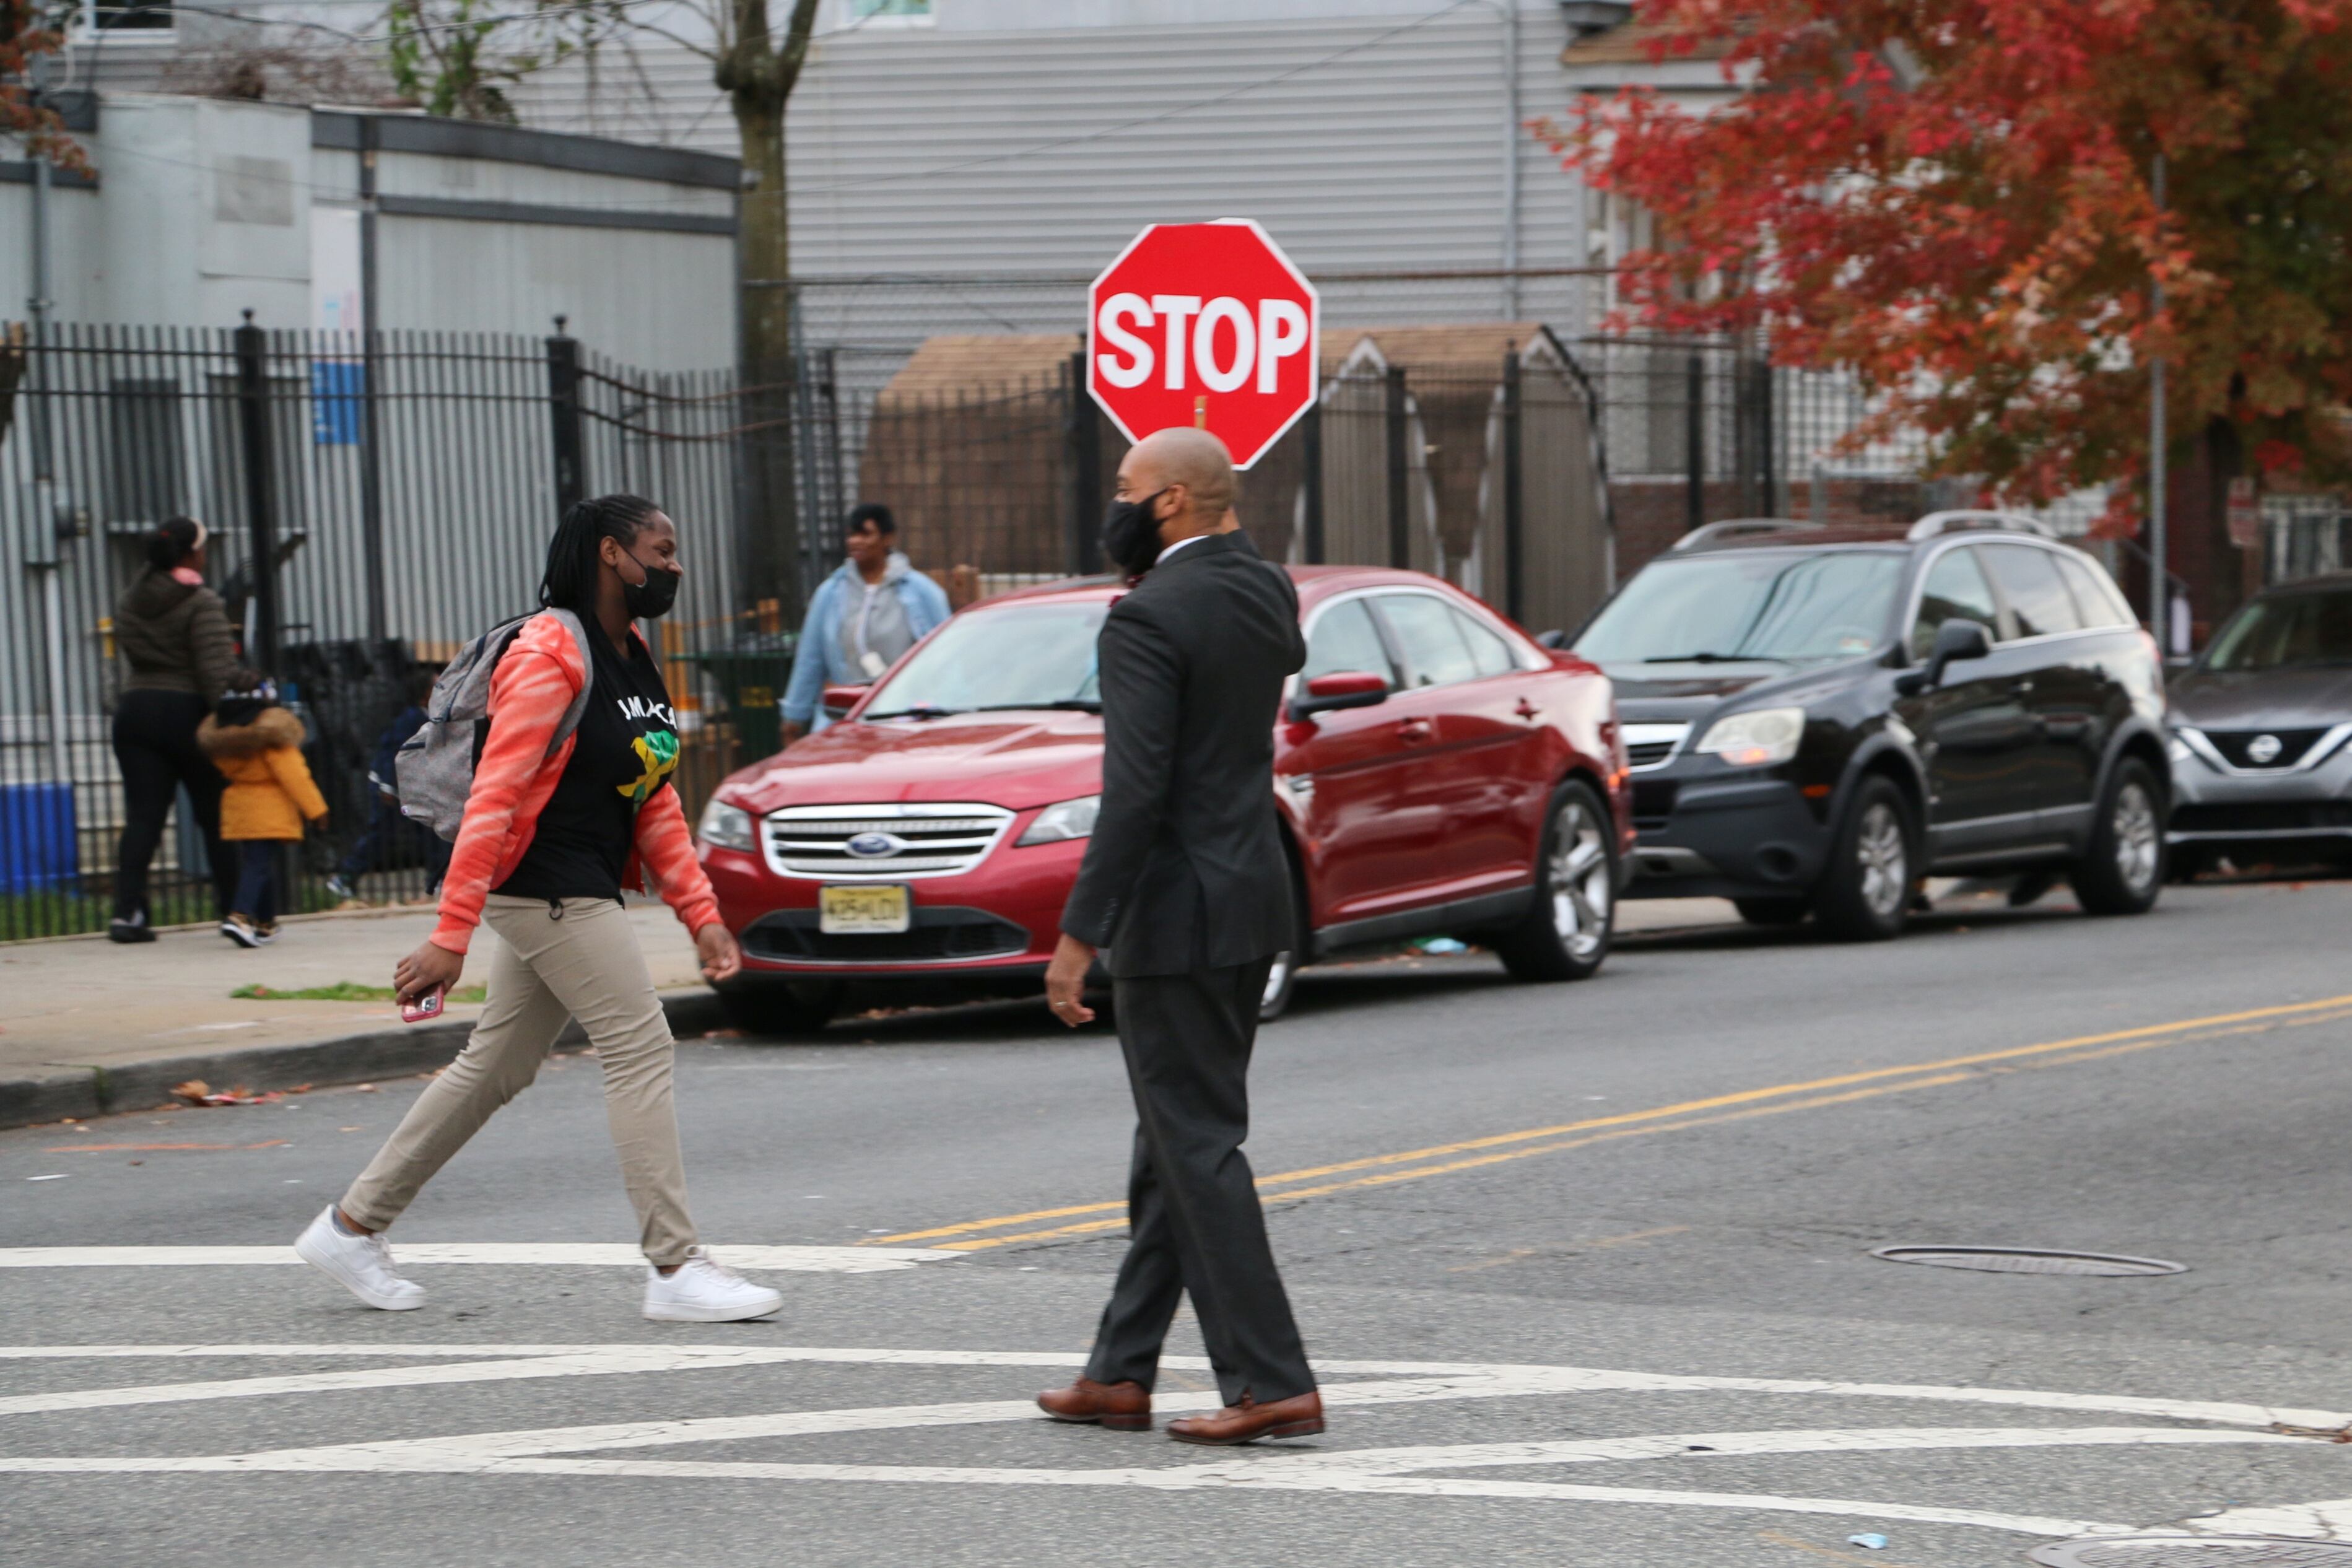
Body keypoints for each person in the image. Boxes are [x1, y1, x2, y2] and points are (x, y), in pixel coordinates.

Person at [294, 493, 782, 1325]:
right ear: (608, 554)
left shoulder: (628, 654)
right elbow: (494, 796)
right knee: (639, 1043)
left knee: (498, 1065)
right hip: (547, 886)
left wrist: (698, 914)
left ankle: (351, 1226)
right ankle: (674, 1266)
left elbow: (651, 797)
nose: (674, 566)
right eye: (660, 550)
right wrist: (451, 933)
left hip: (575, 881)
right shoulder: (549, 650)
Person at [1036, 428, 1321, 1446]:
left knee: (1193, 1145)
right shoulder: (1264, 590)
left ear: (1168, 504)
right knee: (1174, 1142)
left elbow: (1135, 797)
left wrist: (1079, 934)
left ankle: (1271, 1380)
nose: (1112, 503)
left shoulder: (1148, 615)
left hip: (1174, 918)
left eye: (1124, 489)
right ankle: (1119, 1372)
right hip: (1251, 905)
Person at [107, 515, 238, 942]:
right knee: (216, 817)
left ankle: (128, 913)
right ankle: (234, 909)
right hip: (188, 714)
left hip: (135, 710)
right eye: (203, 547)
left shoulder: (130, 601)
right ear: (191, 554)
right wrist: (233, 724)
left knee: (143, 816)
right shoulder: (201, 602)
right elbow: (216, 672)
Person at [780, 503, 951, 744]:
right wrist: (794, 715)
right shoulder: (830, 595)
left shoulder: (922, 593)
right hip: (847, 716)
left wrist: (950, 711)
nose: (856, 542)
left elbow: (947, 658)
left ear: (887, 539)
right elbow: (811, 659)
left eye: (865, 534)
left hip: (907, 715)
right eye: (852, 535)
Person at [199, 673, 329, 948]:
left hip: (239, 807)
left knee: (258, 863)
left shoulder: (225, 737)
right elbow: (295, 775)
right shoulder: (272, 735)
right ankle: (240, 916)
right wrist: (316, 810)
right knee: (258, 865)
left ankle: (266, 922)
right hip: (269, 808)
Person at [324, 670, 450, 902]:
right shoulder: (411, 718)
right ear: (424, 693)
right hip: (391, 788)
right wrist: (387, 786)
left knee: (433, 833)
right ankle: (346, 877)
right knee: (382, 834)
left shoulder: (432, 717)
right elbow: (392, 752)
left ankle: (438, 880)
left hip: (413, 789)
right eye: (437, 685)